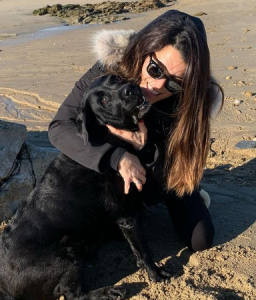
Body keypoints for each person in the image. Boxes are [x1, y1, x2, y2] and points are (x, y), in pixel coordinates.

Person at [48, 10, 224, 252]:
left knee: (200, 240)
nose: (158, 85)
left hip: (165, 167)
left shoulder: (193, 101)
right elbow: (59, 127)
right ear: (145, 49)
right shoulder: (110, 70)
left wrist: (144, 148)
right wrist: (117, 156)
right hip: (114, 166)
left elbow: (183, 160)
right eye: (155, 69)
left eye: (175, 82)